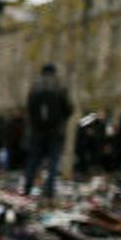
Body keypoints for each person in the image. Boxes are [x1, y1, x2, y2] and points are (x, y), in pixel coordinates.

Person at [23, 63, 72, 199]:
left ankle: (27, 187)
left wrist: (35, 124)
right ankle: (49, 190)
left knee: (33, 162)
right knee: (53, 163)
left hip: (37, 132)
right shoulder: (59, 86)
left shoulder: (35, 87)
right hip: (55, 133)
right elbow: (68, 109)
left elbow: (29, 108)